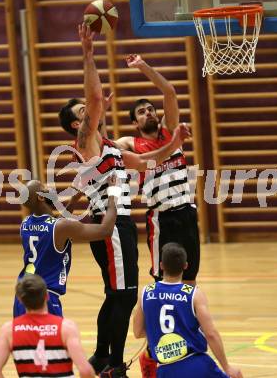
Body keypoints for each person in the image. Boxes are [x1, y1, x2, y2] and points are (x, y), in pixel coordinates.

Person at [58, 24, 190, 378]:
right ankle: (115, 365)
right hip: (110, 224)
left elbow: (150, 160)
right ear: (77, 126)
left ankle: (103, 357)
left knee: (116, 294)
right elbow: (97, 100)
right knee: (125, 294)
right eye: (82, 111)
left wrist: (175, 141)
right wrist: (87, 53)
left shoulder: (111, 146)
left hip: (119, 224)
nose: (89, 110)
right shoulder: (87, 142)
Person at [115, 54, 201, 376]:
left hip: (187, 214)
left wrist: (143, 67)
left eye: (150, 108)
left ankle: (181, 341)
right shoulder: (131, 143)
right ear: (135, 122)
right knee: (157, 283)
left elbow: (170, 93)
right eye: (141, 111)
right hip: (160, 219)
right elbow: (114, 147)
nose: (149, 112)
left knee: (188, 282)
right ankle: (149, 350)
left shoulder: (170, 131)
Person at [133, 243, 243, 378]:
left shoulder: (146, 292)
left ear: (161, 266)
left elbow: (138, 332)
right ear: (185, 266)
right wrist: (227, 367)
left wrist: (160, 333)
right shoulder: (194, 294)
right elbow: (211, 334)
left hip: (165, 371)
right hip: (196, 365)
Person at [13, 176, 118, 318]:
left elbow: (56, 226)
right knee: (53, 341)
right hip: (44, 298)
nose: (50, 189)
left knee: (24, 340)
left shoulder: (25, 224)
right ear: (41, 198)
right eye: (44, 188)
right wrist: (113, 194)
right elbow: (105, 230)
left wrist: (73, 201)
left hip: (22, 297)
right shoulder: (60, 227)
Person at [0, 274, 95, 378]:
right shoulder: (66, 328)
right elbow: (86, 371)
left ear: (20, 300)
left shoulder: (9, 330)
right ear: (47, 296)